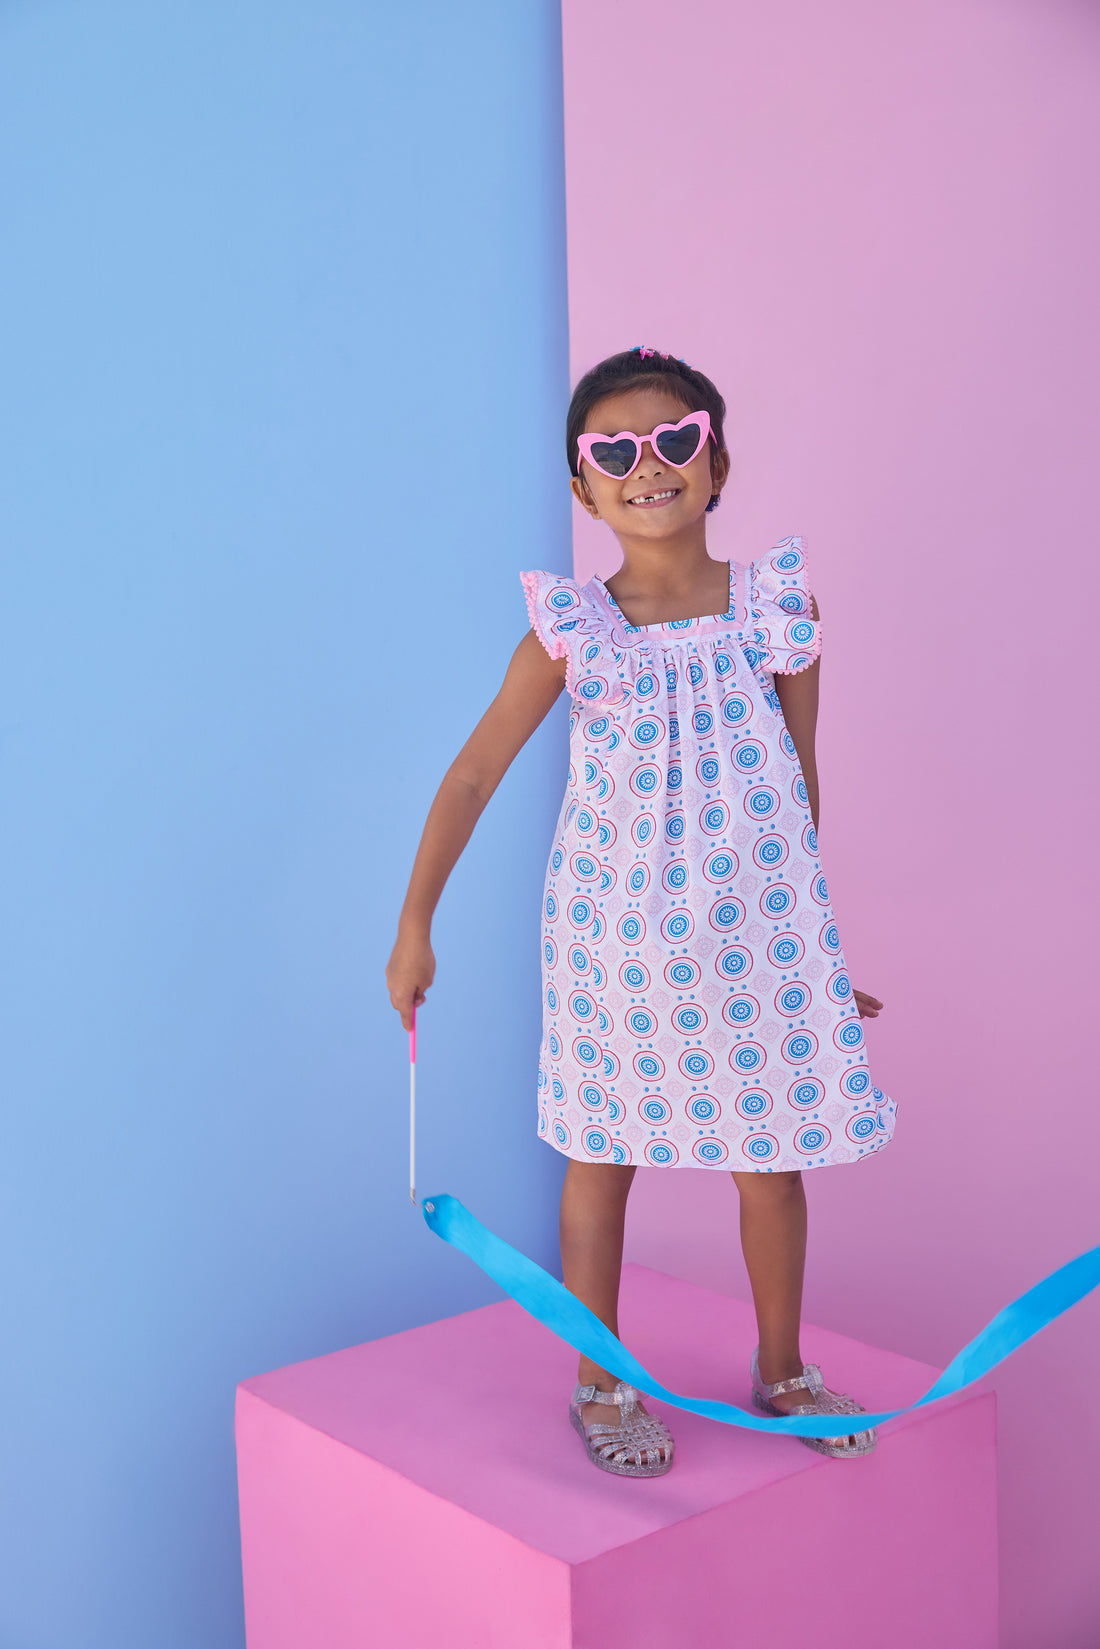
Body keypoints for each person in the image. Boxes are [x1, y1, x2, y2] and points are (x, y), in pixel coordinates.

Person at [386, 346, 897, 1478]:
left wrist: (813, 953)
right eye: (611, 451)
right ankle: (596, 1375)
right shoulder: (571, 631)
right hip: (611, 938)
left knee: (767, 1158)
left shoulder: (776, 612)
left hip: (750, 936)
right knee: (599, 1153)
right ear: (582, 488)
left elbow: (798, 784)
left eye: (673, 440)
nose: (645, 464)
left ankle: (781, 1368)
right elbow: (472, 773)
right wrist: (416, 918)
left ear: (716, 461)